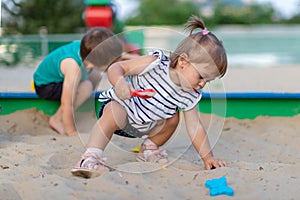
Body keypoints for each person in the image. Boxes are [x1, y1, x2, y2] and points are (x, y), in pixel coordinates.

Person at [71, 15, 228, 178]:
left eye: (208, 80)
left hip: (148, 124)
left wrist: (208, 157)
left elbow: (195, 127)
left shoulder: (190, 95)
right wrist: (119, 83)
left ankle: (148, 148)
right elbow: (117, 67)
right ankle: (90, 157)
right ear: (183, 61)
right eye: (202, 77)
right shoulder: (156, 63)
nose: (202, 84)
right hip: (124, 114)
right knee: (114, 110)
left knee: (173, 118)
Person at [33, 27, 123, 136]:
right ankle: (57, 119)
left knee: (96, 76)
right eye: (109, 64)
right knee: (86, 87)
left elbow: (111, 55)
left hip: (59, 78)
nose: (112, 65)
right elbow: (67, 103)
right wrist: (71, 131)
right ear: (91, 65)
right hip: (45, 86)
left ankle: (70, 106)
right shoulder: (73, 67)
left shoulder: (88, 48)